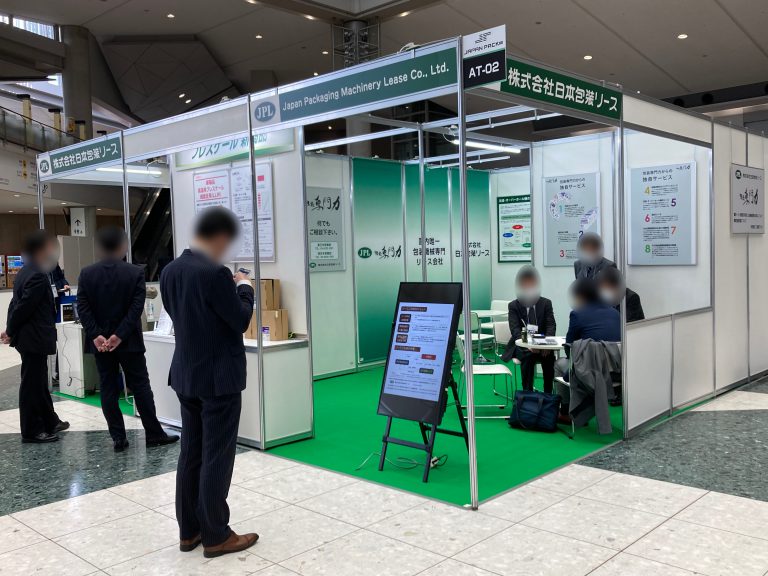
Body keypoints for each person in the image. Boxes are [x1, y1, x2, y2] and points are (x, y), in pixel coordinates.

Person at [160, 207, 258, 558]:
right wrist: (244, 288)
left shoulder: (170, 270)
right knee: (217, 454)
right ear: (218, 237)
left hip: (186, 374)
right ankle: (216, 534)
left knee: (192, 452)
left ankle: (190, 531)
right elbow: (240, 320)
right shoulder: (215, 273)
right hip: (218, 378)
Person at [76, 227, 179, 452]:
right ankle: (154, 434)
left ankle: (118, 438)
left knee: (107, 388)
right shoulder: (135, 273)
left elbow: (83, 308)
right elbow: (135, 309)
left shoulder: (87, 273)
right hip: (129, 342)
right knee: (140, 386)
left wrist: (96, 335)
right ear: (122, 246)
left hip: (101, 345)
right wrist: (119, 336)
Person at [0, 231, 69, 443]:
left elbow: (15, 304)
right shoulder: (37, 275)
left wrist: (10, 329)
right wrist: (10, 331)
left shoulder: (26, 271)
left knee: (38, 382)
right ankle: (31, 430)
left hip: (30, 338)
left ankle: (50, 421)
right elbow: (23, 307)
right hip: (34, 338)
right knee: (31, 384)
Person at [501, 265, 557, 393]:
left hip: (542, 344)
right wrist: (529, 345)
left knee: (549, 357)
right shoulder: (513, 306)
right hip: (523, 344)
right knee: (528, 355)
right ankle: (528, 394)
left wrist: (546, 345)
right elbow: (515, 330)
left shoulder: (546, 303)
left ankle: (548, 394)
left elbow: (551, 325)